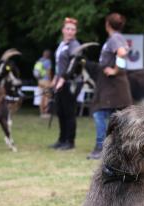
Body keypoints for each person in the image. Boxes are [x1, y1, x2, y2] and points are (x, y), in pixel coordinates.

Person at [87, 13, 133, 160]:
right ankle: (121, 149)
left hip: (112, 86)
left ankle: (101, 148)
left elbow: (121, 53)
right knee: (117, 118)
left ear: (107, 24)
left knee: (99, 113)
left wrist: (115, 70)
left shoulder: (115, 38)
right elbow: (124, 53)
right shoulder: (118, 38)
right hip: (112, 86)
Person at [49, 17, 80, 150]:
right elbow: (59, 65)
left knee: (69, 112)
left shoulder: (75, 46)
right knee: (60, 111)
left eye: (72, 29)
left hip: (69, 83)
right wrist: (55, 79)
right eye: (67, 29)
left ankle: (70, 141)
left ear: (75, 32)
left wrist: (62, 79)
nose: (70, 31)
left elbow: (72, 66)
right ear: (63, 30)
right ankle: (61, 139)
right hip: (59, 82)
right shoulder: (62, 44)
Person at [33, 49, 52, 118]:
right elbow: (48, 72)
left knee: (41, 96)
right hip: (45, 81)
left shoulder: (39, 60)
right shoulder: (48, 61)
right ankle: (45, 113)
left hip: (39, 81)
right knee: (46, 96)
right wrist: (50, 81)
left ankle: (41, 112)